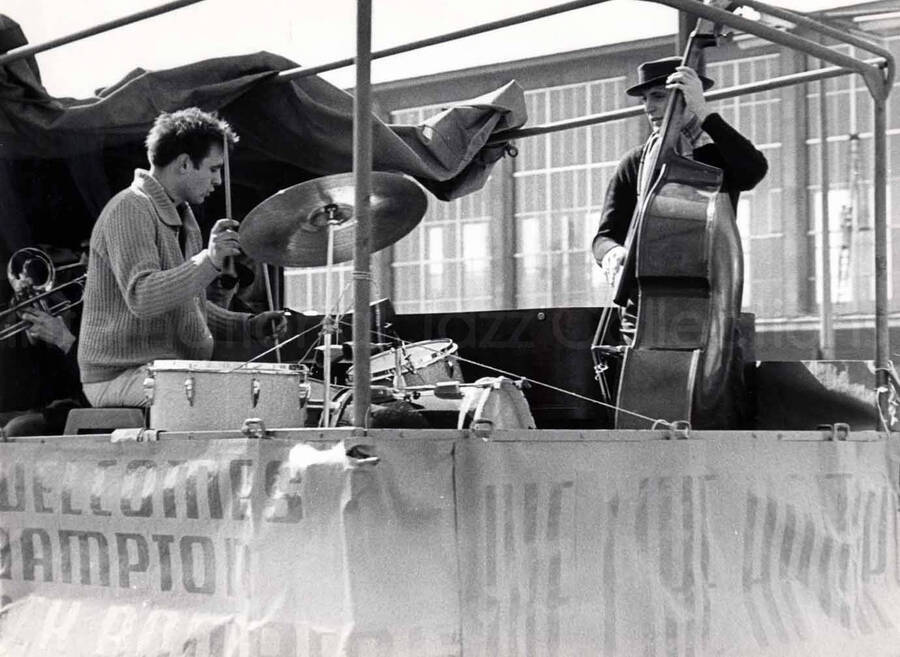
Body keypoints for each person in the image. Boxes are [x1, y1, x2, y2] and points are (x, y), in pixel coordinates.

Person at [77, 108, 286, 408]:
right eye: (214, 169)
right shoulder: (130, 208)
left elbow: (189, 307)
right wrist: (209, 261)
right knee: (237, 400)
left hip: (160, 370)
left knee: (257, 393)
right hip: (117, 376)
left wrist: (249, 325)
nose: (218, 181)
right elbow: (143, 296)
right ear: (185, 163)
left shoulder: (183, 219)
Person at [591, 57, 768, 337]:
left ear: (687, 97)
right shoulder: (634, 163)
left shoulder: (715, 157)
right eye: (645, 100)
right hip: (640, 310)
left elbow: (754, 170)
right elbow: (604, 236)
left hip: (705, 306)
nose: (649, 108)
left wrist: (705, 113)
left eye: (659, 97)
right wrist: (612, 252)